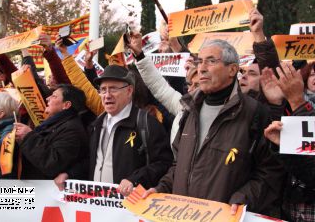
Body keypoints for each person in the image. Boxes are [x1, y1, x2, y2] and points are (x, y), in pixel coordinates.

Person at [143, 39, 284, 215]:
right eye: (199, 61)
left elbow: (270, 171)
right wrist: (161, 188)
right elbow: (178, 165)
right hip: (183, 216)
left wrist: (243, 198)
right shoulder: (189, 110)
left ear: (232, 70)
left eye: (211, 61)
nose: (201, 68)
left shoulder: (255, 113)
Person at [71, 65, 173, 196]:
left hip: (131, 208)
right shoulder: (96, 125)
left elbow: (163, 163)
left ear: (129, 91)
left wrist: (134, 180)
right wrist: (70, 173)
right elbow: (91, 161)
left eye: (113, 89)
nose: (107, 95)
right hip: (98, 207)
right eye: (103, 89)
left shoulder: (146, 123)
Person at [261, 62, 315, 221]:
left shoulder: (297, 102)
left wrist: (297, 102)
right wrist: (277, 104)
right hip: (292, 210)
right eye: (312, 74)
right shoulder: (292, 104)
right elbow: (301, 163)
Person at [14, 84, 89, 180]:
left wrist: (28, 136)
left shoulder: (71, 130)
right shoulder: (56, 122)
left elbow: (52, 164)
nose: (47, 98)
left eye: (54, 96)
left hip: (45, 190)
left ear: (66, 105)